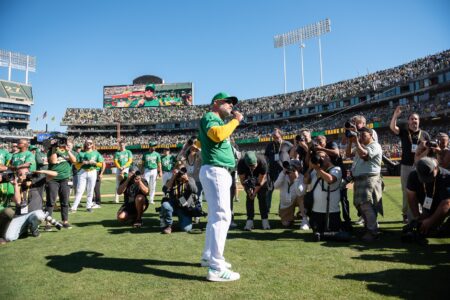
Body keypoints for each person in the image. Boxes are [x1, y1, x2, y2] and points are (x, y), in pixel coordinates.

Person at [198, 92, 243, 282]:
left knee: (215, 217)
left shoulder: (216, 120)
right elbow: (216, 135)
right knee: (222, 217)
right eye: (228, 102)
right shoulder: (211, 116)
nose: (232, 106)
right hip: (216, 170)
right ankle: (216, 267)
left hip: (217, 170)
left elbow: (204, 141)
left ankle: (209, 257)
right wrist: (235, 122)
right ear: (216, 103)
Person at [390, 106, 430, 223]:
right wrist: (395, 115)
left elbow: (430, 151)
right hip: (406, 166)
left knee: (423, 189)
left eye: (416, 119)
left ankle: (422, 213)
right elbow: (393, 127)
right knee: (406, 190)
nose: (414, 121)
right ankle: (406, 214)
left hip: (421, 166)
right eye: (412, 119)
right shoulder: (404, 131)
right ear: (408, 121)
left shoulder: (425, 134)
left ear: (419, 121)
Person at [346, 127, 382, 242]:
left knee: (366, 205)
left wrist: (356, 141)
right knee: (360, 205)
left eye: (363, 135)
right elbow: (348, 154)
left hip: (369, 178)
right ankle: (368, 228)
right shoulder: (360, 145)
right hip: (359, 179)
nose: (361, 137)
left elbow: (365, 156)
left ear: (371, 135)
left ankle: (373, 231)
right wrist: (350, 141)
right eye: (359, 135)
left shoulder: (375, 145)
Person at [405, 157, 450, 238]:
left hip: (445, 207)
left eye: (429, 176)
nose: (426, 180)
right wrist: (418, 218)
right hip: (428, 208)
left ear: (436, 168)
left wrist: (430, 221)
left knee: (443, 231)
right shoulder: (413, 175)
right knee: (427, 230)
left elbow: (446, 203)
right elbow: (411, 198)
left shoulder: (446, 177)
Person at [315, 135, 351, 231]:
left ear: (325, 140)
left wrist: (322, 149)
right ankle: (331, 219)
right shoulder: (318, 149)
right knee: (330, 197)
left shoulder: (331, 144)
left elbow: (336, 152)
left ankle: (347, 220)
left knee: (343, 198)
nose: (318, 142)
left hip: (338, 173)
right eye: (317, 140)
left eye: (320, 140)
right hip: (327, 173)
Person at [304, 151, 342, 241]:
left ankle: (323, 234)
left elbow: (330, 179)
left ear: (328, 158)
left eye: (322, 157)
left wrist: (318, 169)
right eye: (318, 157)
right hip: (316, 211)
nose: (319, 159)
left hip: (331, 211)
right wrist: (310, 168)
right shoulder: (314, 171)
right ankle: (322, 234)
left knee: (332, 232)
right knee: (317, 231)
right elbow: (305, 181)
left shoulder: (336, 169)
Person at [46, 137, 77, 230]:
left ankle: (65, 221)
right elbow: (53, 161)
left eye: (67, 144)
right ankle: (48, 222)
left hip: (65, 179)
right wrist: (54, 149)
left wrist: (68, 151)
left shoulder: (71, 152)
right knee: (51, 202)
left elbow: (74, 161)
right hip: (53, 179)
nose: (65, 145)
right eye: (64, 144)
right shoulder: (52, 151)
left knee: (65, 201)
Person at [160, 165, 199, 233]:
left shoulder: (190, 179)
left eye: (183, 170)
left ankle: (176, 224)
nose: (181, 172)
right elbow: (164, 189)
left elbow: (195, 190)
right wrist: (173, 177)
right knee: (165, 205)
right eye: (180, 170)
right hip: (173, 204)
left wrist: (187, 181)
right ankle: (168, 226)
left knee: (186, 229)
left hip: (185, 206)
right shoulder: (171, 180)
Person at [237, 151, 270, 230]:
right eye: (250, 166)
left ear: (257, 162)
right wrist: (249, 191)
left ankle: (265, 220)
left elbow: (261, 181)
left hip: (261, 180)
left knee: (262, 197)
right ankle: (249, 221)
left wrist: (254, 192)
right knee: (249, 199)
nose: (253, 168)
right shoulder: (241, 163)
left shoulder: (262, 162)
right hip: (248, 179)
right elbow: (242, 180)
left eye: (254, 166)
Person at [71, 139, 104, 212]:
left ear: (92, 144)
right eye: (87, 142)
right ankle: (74, 207)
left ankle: (88, 206)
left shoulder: (96, 153)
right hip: (83, 172)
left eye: (90, 143)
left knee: (90, 190)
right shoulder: (81, 153)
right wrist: (83, 163)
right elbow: (76, 166)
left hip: (93, 171)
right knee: (80, 190)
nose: (89, 144)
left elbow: (101, 164)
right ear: (85, 144)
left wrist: (94, 163)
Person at [265, 128, 293, 213]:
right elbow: (266, 156)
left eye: (276, 135)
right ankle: (267, 208)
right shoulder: (270, 145)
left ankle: (281, 209)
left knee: (283, 191)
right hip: (271, 171)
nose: (274, 136)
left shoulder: (287, 144)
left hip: (283, 171)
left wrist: (289, 163)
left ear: (280, 135)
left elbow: (294, 153)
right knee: (269, 190)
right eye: (273, 135)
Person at [274, 159, 307, 229]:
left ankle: (304, 219)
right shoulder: (283, 175)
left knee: (301, 197)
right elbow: (275, 186)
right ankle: (291, 216)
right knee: (286, 224)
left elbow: (301, 192)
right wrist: (283, 173)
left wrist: (296, 179)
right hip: (286, 203)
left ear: (298, 169)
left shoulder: (301, 177)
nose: (291, 170)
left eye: (294, 168)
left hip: (298, 199)